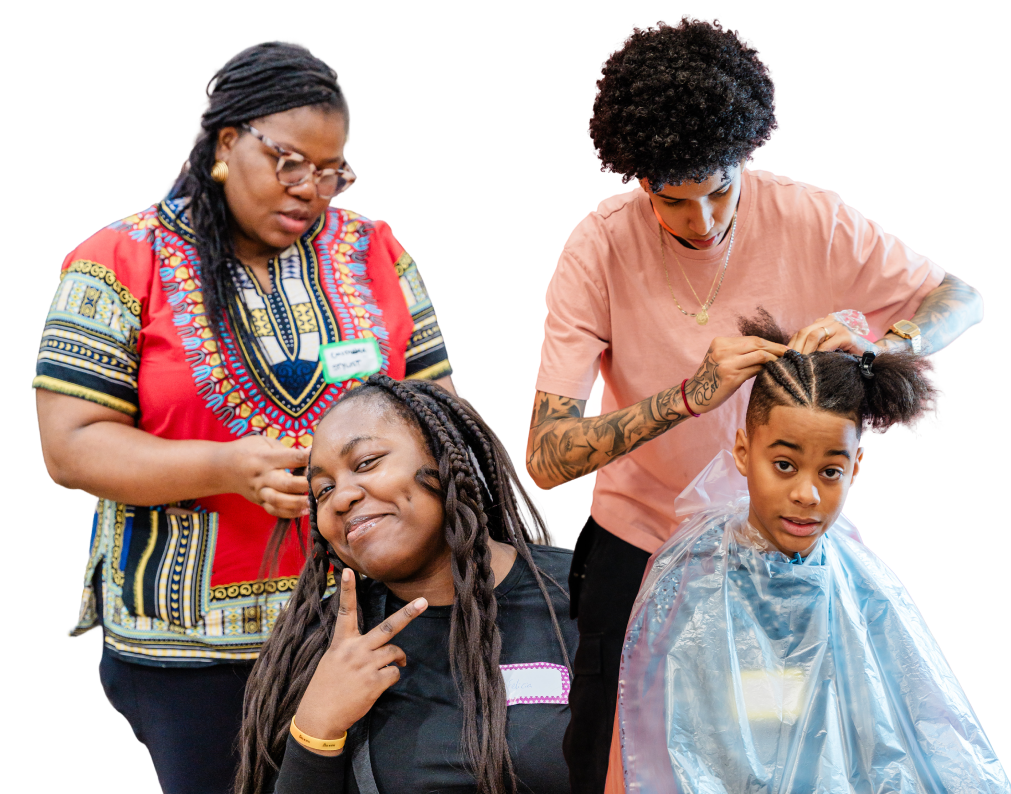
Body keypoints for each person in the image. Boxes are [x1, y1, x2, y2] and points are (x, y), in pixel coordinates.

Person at [523, 17, 985, 793]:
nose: (700, 223)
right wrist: (687, 397)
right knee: (615, 750)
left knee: (784, 756)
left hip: (784, 551)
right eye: (673, 201)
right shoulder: (597, 248)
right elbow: (546, 457)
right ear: (634, 177)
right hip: (638, 547)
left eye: (719, 190)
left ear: (744, 153)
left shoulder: (810, 218)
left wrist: (884, 338)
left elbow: (961, 297)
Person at [33, 40, 453, 794]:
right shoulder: (118, 260)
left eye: (330, 170)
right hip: (191, 653)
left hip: (367, 626)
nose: (310, 189)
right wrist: (227, 466)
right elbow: (71, 448)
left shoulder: (374, 252)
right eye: (289, 162)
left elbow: (441, 407)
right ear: (227, 144)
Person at [602, 313, 1010, 793]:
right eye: (783, 464)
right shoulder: (690, 577)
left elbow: (914, 735)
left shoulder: (863, 586)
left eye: (830, 472)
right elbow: (643, 746)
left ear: (856, 467)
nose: (806, 495)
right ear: (741, 450)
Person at [236, 375, 577, 794]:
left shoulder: (585, 594)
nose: (341, 498)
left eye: (365, 463)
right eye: (323, 490)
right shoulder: (320, 646)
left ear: (448, 458)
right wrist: (316, 725)